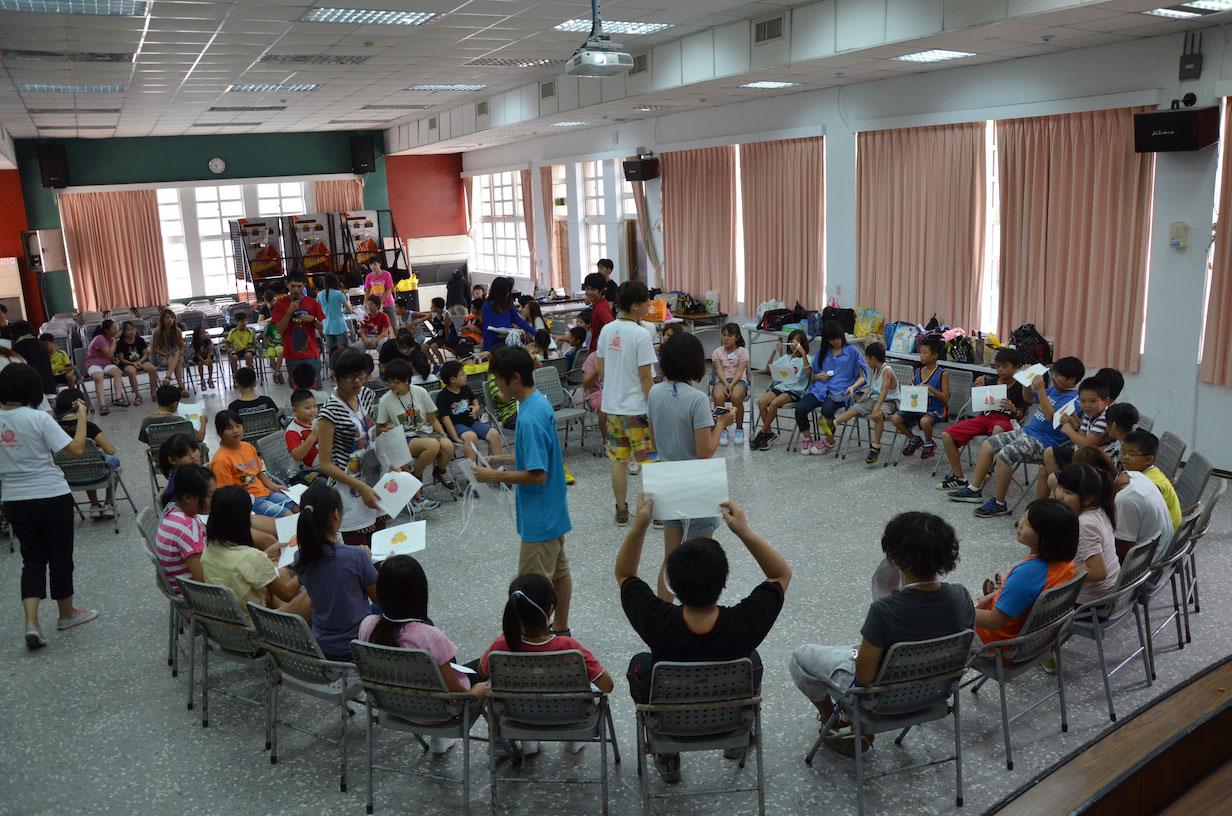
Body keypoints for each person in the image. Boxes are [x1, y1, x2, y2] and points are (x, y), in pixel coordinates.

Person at [616, 495, 790, 784]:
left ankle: (668, 754)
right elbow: (780, 573)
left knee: (640, 664)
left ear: (671, 582)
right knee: (752, 661)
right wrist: (744, 531)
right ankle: (738, 737)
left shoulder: (656, 620)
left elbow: (624, 573)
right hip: (728, 715)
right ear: (724, 581)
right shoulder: (744, 623)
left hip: (671, 717)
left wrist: (640, 525)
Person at [789, 512, 974, 757]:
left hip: (880, 701)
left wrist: (858, 655)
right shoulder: (961, 596)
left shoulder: (884, 611)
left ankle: (835, 720)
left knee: (800, 657)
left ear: (896, 559)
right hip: (935, 693)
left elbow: (864, 679)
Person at [474, 346, 574, 633]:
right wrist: (502, 459)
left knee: (532, 586)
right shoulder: (538, 403)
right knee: (560, 573)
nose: (496, 389)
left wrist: (493, 474)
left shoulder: (528, 418)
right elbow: (539, 454)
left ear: (514, 378)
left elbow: (537, 474)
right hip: (552, 510)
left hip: (539, 517)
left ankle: (535, 639)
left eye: (498, 381)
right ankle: (562, 629)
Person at [0, 364, 97, 649]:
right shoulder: (38, 418)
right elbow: (77, 450)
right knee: (60, 556)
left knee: (31, 560)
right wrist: (81, 417)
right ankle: (66, 615)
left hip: (15, 499)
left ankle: (32, 622)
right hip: (51, 495)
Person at [647, 331, 734, 601]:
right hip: (696, 483)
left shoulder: (654, 392)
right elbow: (704, 450)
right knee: (701, 558)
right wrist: (721, 423)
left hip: (667, 480)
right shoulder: (697, 400)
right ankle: (698, 613)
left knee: (671, 557)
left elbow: (653, 436)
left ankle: (664, 612)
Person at [949, 356, 1085, 517]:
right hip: (1027, 433)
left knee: (1005, 455)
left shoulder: (1075, 400)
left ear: (1072, 380)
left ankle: (999, 503)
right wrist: (1026, 381)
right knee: (989, 444)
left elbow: (1050, 416)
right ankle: (974, 489)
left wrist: (1041, 389)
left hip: (1046, 443)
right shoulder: (1053, 390)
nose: (1053, 378)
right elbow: (1028, 398)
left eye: (1057, 376)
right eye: (1053, 374)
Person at [359, 555, 473, 741]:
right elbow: (455, 693)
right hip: (437, 712)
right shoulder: (429, 636)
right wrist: (476, 693)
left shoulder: (367, 625)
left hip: (391, 705)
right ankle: (444, 740)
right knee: (486, 671)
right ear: (420, 592)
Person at [474, 573, 614, 719]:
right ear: (551, 609)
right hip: (569, 715)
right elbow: (607, 685)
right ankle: (572, 741)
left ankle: (526, 739)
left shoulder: (501, 645)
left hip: (517, 716)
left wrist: (505, 634)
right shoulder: (569, 647)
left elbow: (481, 671)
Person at [292, 481, 379, 661]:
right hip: (359, 645)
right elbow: (380, 597)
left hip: (324, 646)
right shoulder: (355, 557)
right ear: (336, 514)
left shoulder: (300, 557)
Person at [973, 498, 1078, 645]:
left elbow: (995, 622)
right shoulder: (1067, 564)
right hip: (1037, 640)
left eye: (1029, 524)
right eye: (1023, 517)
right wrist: (992, 596)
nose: (1020, 524)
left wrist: (961, 611)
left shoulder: (1027, 574)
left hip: (998, 643)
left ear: (1047, 538)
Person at [596, 281, 657, 526]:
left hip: (612, 407)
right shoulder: (641, 334)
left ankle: (621, 510)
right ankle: (656, 512)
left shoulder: (607, 330)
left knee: (619, 461)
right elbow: (645, 377)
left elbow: (601, 370)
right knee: (650, 462)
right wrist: (653, 408)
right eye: (646, 302)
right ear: (635, 306)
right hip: (637, 408)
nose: (649, 306)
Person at [202, 486, 308, 616]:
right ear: (242, 519)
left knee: (281, 572)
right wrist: (305, 567)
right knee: (310, 596)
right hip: (257, 625)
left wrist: (264, 555)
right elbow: (287, 594)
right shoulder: (252, 558)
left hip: (230, 620)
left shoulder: (208, 549)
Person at [316, 349, 384, 546]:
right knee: (361, 551)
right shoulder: (329, 412)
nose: (357, 382)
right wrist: (360, 487)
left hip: (374, 477)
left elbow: (371, 435)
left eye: (360, 376)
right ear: (336, 377)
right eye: (350, 378)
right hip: (349, 487)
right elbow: (326, 464)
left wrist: (391, 462)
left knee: (381, 545)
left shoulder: (367, 395)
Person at [937, 348, 1028, 489]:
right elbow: (979, 406)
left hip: (1006, 420)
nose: (1000, 370)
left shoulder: (1020, 388)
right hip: (985, 418)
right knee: (947, 434)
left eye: (1005, 366)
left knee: (998, 428)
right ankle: (959, 477)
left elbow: (1020, 416)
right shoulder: (990, 382)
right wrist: (978, 388)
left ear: (1015, 367)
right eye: (998, 366)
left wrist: (1014, 409)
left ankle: (988, 469)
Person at [375, 358, 453, 508]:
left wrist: (443, 434)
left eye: (395, 382)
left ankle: (438, 472)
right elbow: (380, 428)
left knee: (447, 445)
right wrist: (386, 429)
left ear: (406, 381)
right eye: (389, 381)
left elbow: (432, 418)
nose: (391, 385)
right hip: (404, 438)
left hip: (425, 432)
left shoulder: (420, 392)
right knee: (432, 446)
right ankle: (416, 478)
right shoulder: (385, 400)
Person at [796, 320, 868, 455]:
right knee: (800, 408)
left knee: (826, 411)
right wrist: (818, 376)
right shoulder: (822, 352)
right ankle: (807, 437)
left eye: (837, 337)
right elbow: (812, 374)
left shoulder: (853, 352)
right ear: (827, 340)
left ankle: (829, 441)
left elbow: (863, 377)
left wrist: (853, 387)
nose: (836, 341)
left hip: (841, 392)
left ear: (842, 335)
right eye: (832, 339)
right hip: (820, 389)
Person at [1052, 462, 1120, 606]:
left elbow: (1098, 572)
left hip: (1090, 604)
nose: (1059, 495)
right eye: (1059, 487)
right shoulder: (1099, 509)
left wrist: (1060, 573)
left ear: (1088, 498)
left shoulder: (1084, 524)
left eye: (1068, 493)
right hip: (1109, 592)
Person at [210, 410, 297, 518]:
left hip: (266, 493)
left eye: (238, 426)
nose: (235, 431)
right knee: (287, 515)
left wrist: (273, 486)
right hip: (249, 502)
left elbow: (259, 473)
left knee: (297, 506)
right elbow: (227, 494)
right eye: (229, 428)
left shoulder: (247, 446)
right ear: (219, 433)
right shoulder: (220, 460)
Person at [1041, 376, 1116, 496]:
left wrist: (1068, 429)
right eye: (1083, 401)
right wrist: (1073, 420)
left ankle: (1066, 494)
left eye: (1093, 401)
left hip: (1095, 467)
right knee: (1049, 453)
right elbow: (1081, 435)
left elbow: (1086, 444)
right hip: (1082, 456)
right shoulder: (1091, 413)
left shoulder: (1104, 419)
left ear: (1106, 401)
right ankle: (1064, 492)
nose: (1087, 405)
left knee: (1052, 479)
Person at [54, 389, 120, 519]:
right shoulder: (88, 426)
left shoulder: (55, 427)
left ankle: (94, 504)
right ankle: (108, 504)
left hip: (68, 476)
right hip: (97, 473)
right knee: (113, 461)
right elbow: (110, 450)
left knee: (84, 463)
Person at [831, 341, 899, 464]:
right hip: (876, 399)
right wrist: (861, 399)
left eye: (867, 359)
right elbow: (873, 389)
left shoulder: (887, 371)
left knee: (878, 415)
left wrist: (876, 408)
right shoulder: (876, 370)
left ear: (873, 358)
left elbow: (884, 392)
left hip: (889, 402)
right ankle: (833, 424)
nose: (866, 362)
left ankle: (876, 447)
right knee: (855, 408)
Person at [154, 463, 215, 595]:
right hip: (198, 600)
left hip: (180, 585)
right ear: (188, 498)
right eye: (210, 496)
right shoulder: (187, 528)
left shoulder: (172, 511)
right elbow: (203, 581)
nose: (214, 500)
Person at [889, 334, 950, 460]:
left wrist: (931, 389)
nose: (921, 356)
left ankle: (929, 443)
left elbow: (945, 399)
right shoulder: (918, 372)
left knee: (925, 421)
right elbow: (914, 389)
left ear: (935, 355)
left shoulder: (943, 374)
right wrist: (910, 386)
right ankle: (914, 439)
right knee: (895, 418)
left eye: (924, 353)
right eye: (920, 353)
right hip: (918, 407)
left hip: (936, 410)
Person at [751, 330, 811, 452]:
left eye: (796, 341)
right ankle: (770, 433)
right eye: (791, 341)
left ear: (802, 343)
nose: (793, 344)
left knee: (774, 404)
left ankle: (763, 433)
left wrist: (803, 354)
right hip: (781, 386)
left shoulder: (809, 358)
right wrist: (774, 352)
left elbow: (809, 372)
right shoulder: (785, 358)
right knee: (762, 402)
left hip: (795, 390)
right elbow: (768, 369)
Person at [435, 360, 504, 462]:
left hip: (471, 422)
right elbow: (446, 420)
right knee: (471, 436)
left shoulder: (465, 388)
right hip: (456, 425)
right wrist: (455, 438)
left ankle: (498, 467)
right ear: (453, 379)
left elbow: (474, 400)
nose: (465, 375)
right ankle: (473, 473)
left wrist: (476, 407)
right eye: (462, 374)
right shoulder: (443, 396)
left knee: (493, 433)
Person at [273, 272, 326, 388]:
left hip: (311, 353)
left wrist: (313, 320)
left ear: (304, 286)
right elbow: (279, 329)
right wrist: (289, 312)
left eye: (299, 286)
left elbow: (323, 328)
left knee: (315, 388)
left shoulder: (313, 303)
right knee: (297, 391)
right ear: (287, 285)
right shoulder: (280, 304)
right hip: (292, 355)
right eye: (293, 286)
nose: (296, 289)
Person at [1120, 430, 1182, 529]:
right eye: (1123, 452)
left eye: (1131, 455)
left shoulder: (1152, 484)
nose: (1125, 457)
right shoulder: (1145, 472)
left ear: (1149, 460)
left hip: (1163, 535)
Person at [710, 323, 750, 446]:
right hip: (722, 380)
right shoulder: (717, 352)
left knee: (736, 396)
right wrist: (726, 384)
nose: (726, 338)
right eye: (724, 335)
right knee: (718, 396)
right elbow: (719, 370)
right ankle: (722, 429)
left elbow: (740, 371)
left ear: (737, 337)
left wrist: (731, 385)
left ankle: (739, 429)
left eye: (730, 335)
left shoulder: (742, 351)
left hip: (739, 381)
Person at [138, 383, 206, 445]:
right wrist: (203, 422)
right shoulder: (179, 421)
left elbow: (147, 440)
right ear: (175, 403)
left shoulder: (146, 422)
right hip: (179, 456)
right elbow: (199, 438)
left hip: (158, 457)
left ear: (157, 401)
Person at [481, 276, 535, 352]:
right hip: (492, 346)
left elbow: (519, 321)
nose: (508, 294)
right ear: (499, 293)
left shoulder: (508, 305)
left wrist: (535, 332)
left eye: (509, 291)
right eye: (506, 292)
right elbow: (489, 330)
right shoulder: (487, 307)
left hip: (508, 344)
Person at [85, 319, 127, 414]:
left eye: (116, 327)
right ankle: (103, 405)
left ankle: (118, 398)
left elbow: (108, 356)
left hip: (106, 364)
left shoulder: (110, 339)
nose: (116, 330)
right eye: (114, 328)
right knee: (99, 376)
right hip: (93, 363)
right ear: (106, 330)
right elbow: (108, 353)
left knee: (118, 372)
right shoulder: (100, 338)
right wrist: (115, 341)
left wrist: (114, 359)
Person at [12, 321, 56, 398]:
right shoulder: (41, 344)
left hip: (33, 392)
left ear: (16, 333)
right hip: (50, 388)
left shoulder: (18, 348)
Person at [151, 308, 188, 396]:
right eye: (167, 318)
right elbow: (154, 348)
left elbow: (181, 347)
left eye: (171, 318)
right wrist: (164, 354)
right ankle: (181, 387)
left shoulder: (177, 330)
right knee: (177, 360)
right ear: (162, 320)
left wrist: (181, 354)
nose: (170, 320)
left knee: (176, 356)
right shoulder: (157, 331)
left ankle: (168, 377)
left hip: (175, 356)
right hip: (162, 357)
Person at [318, 272, 353, 361]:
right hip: (340, 326)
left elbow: (318, 311)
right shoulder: (338, 294)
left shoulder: (319, 295)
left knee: (331, 352)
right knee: (344, 351)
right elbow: (349, 310)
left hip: (326, 327)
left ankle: (332, 369)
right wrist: (343, 311)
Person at [285, 389, 320, 472]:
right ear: (294, 411)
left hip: (320, 468)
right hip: (301, 474)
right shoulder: (292, 431)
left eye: (315, 406)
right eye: (307, 408)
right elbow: (298, 456)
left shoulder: (316, 422)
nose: (313, 410)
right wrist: (313, 436)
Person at [582, 273, 613, 353]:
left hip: (598, 351)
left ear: (601, 290)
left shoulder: (600, 308)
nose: (589, 292)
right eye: (587, 289)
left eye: (592, 289)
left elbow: (612, 327)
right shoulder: (598, 304)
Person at [1104, 402, 1139, 469]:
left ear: (1114, 426)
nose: (1106, 428)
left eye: (1107, 424)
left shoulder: (1124, 452)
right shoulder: (1129, 439)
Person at [363, 261, 397, 326]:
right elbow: (367, 291)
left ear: (379, 264)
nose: (373, 266)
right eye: (371, 265)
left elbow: (388, 290)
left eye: (374, 264)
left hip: (388, 303)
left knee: (394, 323)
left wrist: (380, 302)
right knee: (379, 324)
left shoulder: (387, 274)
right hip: (376, 305)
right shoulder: (369, 276)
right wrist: (365, 303)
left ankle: (397, 335)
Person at [260, 304, 286, 386]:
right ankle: (278, 373)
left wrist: (283, 343)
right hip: (271, 345)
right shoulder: (269, 325)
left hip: (281, 345)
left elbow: (286, 335)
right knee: (271, 357)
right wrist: (269, 343)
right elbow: (265, 337)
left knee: (280, 352)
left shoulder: (283, 323)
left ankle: (276, 373)